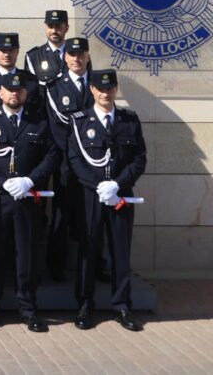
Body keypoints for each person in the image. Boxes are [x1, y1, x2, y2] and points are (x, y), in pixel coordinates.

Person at [0, 71, 60, 333]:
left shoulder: (39, 122)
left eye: (19, 90)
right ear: (0, 92)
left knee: (27, 256)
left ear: (26, 94)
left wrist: (30, 181)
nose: (14, 94)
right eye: (9, 90)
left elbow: (52, 155)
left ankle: (28, 309)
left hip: (27, 200)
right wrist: (2, 182)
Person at [68, 69, 147, 332]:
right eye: (100, 89)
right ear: (92, 90)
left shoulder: (129, 120)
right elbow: (75, 160)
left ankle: (122, 305)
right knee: (88, 251)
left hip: (120, 196)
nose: (105, 93)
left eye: (110, 89)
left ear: (116, 90)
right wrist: (99, 186)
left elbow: (139, 159)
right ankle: (84, 305)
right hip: (91, 197)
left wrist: (117, 185)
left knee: (120, 252)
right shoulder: (80, 121)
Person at [43, 36, 94, 281]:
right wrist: (76, 158)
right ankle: (57, 265)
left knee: (92, 215)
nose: (77, 59)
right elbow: (57, 129)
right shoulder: (54, 87)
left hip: (94, 164)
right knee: (62, 214)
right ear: (65, 57)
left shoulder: (98, 86)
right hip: (66, 162)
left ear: (88, 57)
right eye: (72, 55)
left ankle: (93, 266)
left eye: (81, 54)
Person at [25, 10, 70, 83]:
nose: (54, 31)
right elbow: (32, 88)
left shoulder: (78, 54)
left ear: (66, 28)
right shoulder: (34, 56)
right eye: (50, 26)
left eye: (58, 27)